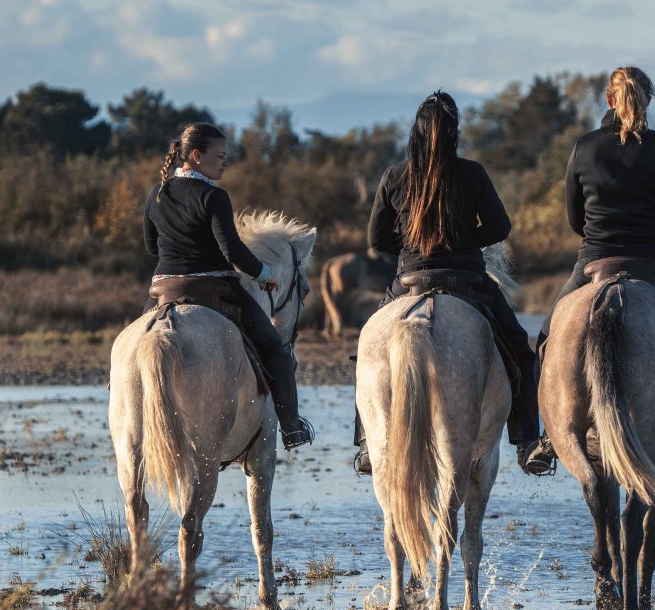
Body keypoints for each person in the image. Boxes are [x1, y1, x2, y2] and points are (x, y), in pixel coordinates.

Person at [536, 67, 655, 472]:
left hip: (593, 264)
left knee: (543, 339)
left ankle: (548, 436)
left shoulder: (583, 148)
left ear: (609, 100)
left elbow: (576, 219)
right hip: (654, 267)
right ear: (646, 101)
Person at [352, 91, 554, 476]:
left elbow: (377, 238)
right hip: (467, 280)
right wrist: (461, 241)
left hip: (409, 280)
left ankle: (365, 445)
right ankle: (527, 440)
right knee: (521, 352)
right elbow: (500, 227)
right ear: (453, 133)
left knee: (366, 353)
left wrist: (414, 245)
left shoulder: (395, 176)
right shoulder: (472, 173)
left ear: (416, 131)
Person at [143, 122, 314, 450]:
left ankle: (116, 383)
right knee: (276, 350)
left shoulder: (156, 194)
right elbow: (232, 252)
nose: (226, 162)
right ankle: (292, 427)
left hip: (163, 288)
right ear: (196, 156)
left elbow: (152, 247)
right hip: (213, 287)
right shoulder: (213, 196)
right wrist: (265, 276)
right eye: (220, 156)